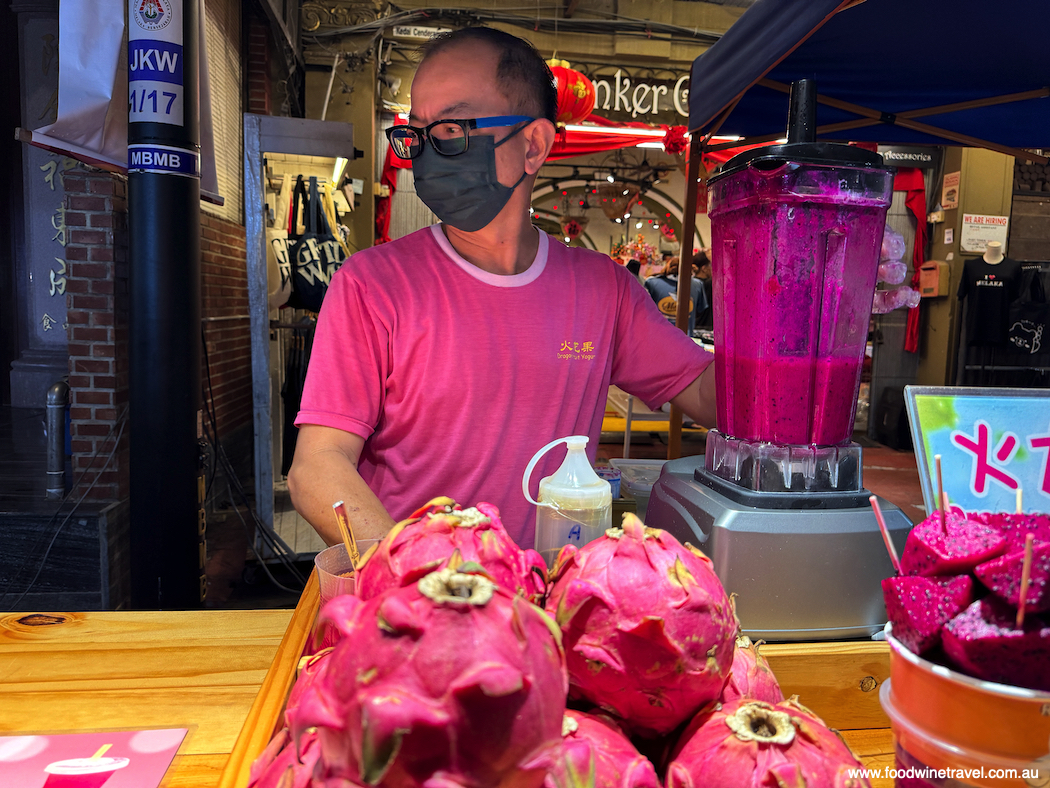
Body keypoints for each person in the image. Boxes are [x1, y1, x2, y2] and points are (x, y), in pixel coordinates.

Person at [288, 27, 716, 548]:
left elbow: (706, 390)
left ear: (533, 144)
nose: (426, 152)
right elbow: (317, 466)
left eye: (450, 128)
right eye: (418, 132)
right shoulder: (372, 286)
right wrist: (407, 572)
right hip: (420, 606)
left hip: (545, 607)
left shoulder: (604, 291)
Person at [643, 256, 707, 335]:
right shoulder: (651, 283)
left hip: (660, 337)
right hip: (681, 338)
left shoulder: (697, 285)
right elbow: (700, 310)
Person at [693, 250, 714, 330]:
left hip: (694, 326)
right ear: (704, 268)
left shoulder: (691, 283)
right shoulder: (710, 284)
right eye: (711, 265)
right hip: (707, 328)